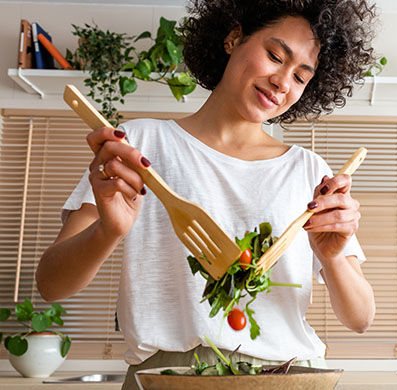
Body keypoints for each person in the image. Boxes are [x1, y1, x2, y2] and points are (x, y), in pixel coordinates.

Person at [36, 0, 377, 388]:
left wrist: (332, 258)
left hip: (284, 376)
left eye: (300, 77)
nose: (283, 82)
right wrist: (108, 231)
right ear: (233, 38)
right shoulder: (140, 145)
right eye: (274, 55)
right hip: (167, 377)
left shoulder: (309, 171)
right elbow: (51, 285)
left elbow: (360, 317)